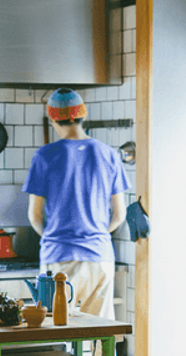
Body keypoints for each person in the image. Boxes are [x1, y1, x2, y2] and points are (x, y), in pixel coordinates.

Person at [22, 88, 130, 319]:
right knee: (100, 331)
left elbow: (35, 217)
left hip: (59, 256)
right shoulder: (109, 154)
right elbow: (120, 215)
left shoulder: (45, 156)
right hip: (99, 256)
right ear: (83, 114)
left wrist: (53, 235)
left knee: (59, 330)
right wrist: (96, 233)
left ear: (52, 118)